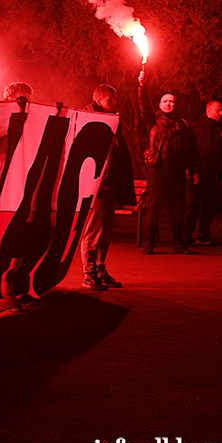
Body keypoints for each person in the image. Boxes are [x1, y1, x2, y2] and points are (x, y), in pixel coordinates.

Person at [79, 85, 135, 290]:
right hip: (97, 184)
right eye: (110, 100)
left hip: (109, 183)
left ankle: (101, 269)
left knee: (106, 231)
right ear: (99, 100)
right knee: (94, 230)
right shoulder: (90, 118)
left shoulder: (111, 120)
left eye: (115, 99)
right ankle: (89, 272)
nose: (115, 103)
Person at [141, 93, 200, 254]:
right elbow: (144, 106)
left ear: (176, 105)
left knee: (177, 209)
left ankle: (178, 243)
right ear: (160, 105)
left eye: (172, 102)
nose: (168, 104)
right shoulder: (152, 120)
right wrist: (142, 87)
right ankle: (149, 244)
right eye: (165, 101)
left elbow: (192, 148)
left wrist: (194, 170)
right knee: (153, 208)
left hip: (177, 171)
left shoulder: (183, 123)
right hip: (159, 170)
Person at [184, 100, 222, 245]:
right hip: (197, 173)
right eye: (219, 110)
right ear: (209, 111)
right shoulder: (196, 127)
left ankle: (204, 234)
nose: (221, 113)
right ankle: (186, 235)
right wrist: (192, 169)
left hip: (214, 173)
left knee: (209, 205)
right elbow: (190, 150)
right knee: (192, 204)